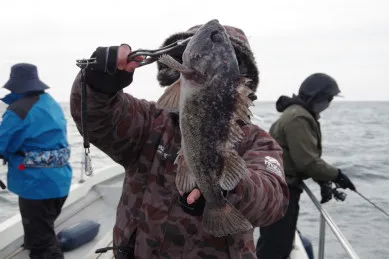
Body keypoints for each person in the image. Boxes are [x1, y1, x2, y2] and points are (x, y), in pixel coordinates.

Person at [70, 23, 289, 258]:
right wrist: (97, 85)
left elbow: (273, 200)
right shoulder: (149, 122)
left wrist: (228, 187)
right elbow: (98, 118)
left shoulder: (257, 141)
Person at [256, 73, 356, 259]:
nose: (329, 102)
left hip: (277, 189)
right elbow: (307, 162)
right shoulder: (298, 118)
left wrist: (323, 182)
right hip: (279, 192)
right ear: (317, 97)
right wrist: (337, 175)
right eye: (328, 98)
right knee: (274, 249)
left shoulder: (297, 113)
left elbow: (300, 158)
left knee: (275, 245)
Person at [0, 63, 72, 259]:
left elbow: (2, 143)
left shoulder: (18, 110)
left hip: (36, 186)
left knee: (44, 248)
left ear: (14, 85)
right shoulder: (50, 102)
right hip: (60, 181)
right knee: (41, 230)